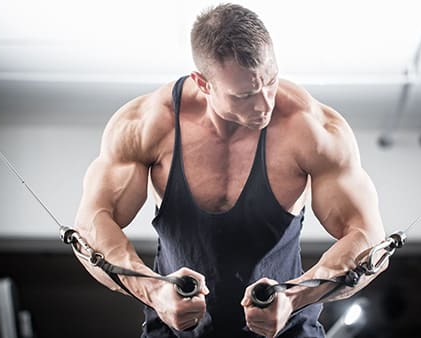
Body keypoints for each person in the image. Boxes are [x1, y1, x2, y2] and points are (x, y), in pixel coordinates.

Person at [73, 3, 387, 337]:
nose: (266, 104)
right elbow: (91, 225)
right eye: (246, 95)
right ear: (203, 83)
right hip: (175, 329)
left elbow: (368, 238)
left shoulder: (312, 129)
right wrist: (154, 292)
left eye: (271, 81)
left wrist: (295, 296)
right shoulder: (147, 125)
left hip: (287, 328)